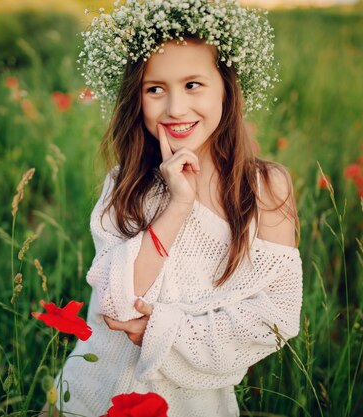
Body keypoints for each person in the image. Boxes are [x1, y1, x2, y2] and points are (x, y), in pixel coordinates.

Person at [55, 1, 303, 416]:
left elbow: (275, 318)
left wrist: (165, 331)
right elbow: (115, 302)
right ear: (138, 97)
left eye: (193, 85)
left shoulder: (263, 188)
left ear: (227, 86)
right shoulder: (125, 182)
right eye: (155, 89)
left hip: (190, 403)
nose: (174, 109)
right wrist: (178, 205)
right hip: (90, 392)